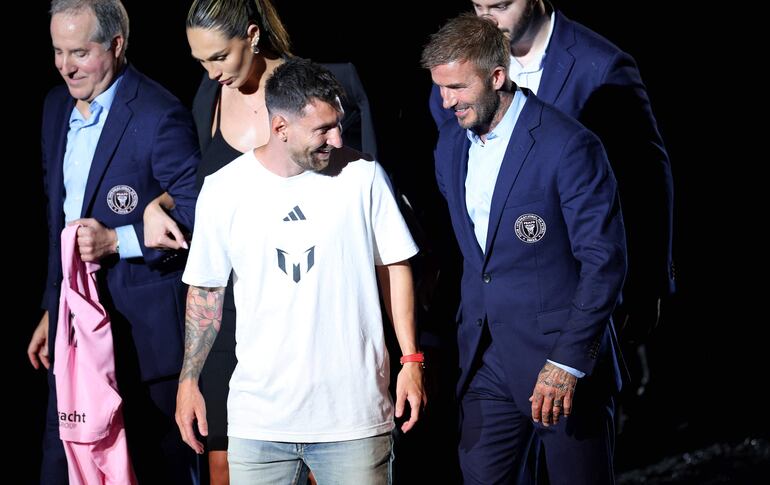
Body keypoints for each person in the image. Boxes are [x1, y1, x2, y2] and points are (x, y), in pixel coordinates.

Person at [142, 2, 378, 483]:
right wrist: (157, 204)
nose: (211, 72)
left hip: (316, 319)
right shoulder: (209, 98)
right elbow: (206, 185)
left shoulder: (325, 86)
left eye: (219, 57)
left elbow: (368, 199)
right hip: (231, 320)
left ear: (251, 35)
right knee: (226, 463)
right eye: (200, 61)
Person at [176, 57, 425, 484]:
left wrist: (412, 359)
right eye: (323, 129)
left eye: (338, 123)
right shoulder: (224, 189)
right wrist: (188, 380)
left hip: (353, 418)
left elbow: (394, 266)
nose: (337, 137)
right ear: (280, 128)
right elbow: (205, 292)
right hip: (259, 422)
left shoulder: (363, 176)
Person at [422, 14, 626, 484]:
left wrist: (568, 362)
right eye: (439, 87)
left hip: (559, 362)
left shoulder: (569, 144)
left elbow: (605, 261)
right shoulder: (450, 144)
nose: (445, 101)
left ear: (497, 77)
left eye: (456, 87)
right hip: (485, 359)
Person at [430, 1, 674, 349]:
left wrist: (651, 283)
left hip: (579, 286)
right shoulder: (457, 73)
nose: (486, 17)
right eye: (477, 5)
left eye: (499, 5)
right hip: (494, 306)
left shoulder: (601, 67)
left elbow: (647, 176)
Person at [26, 1, 200, 483]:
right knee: (64, 464)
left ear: (116, 45)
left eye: (79, 52)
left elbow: (196, 212)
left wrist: (117, 241)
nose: (65, 66)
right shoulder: (55, 105)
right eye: (58, 51)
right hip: (75, 332)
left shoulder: (159, 113)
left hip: (142, 342)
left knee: (150, 468)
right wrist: (51, 305)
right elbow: (57, 219)